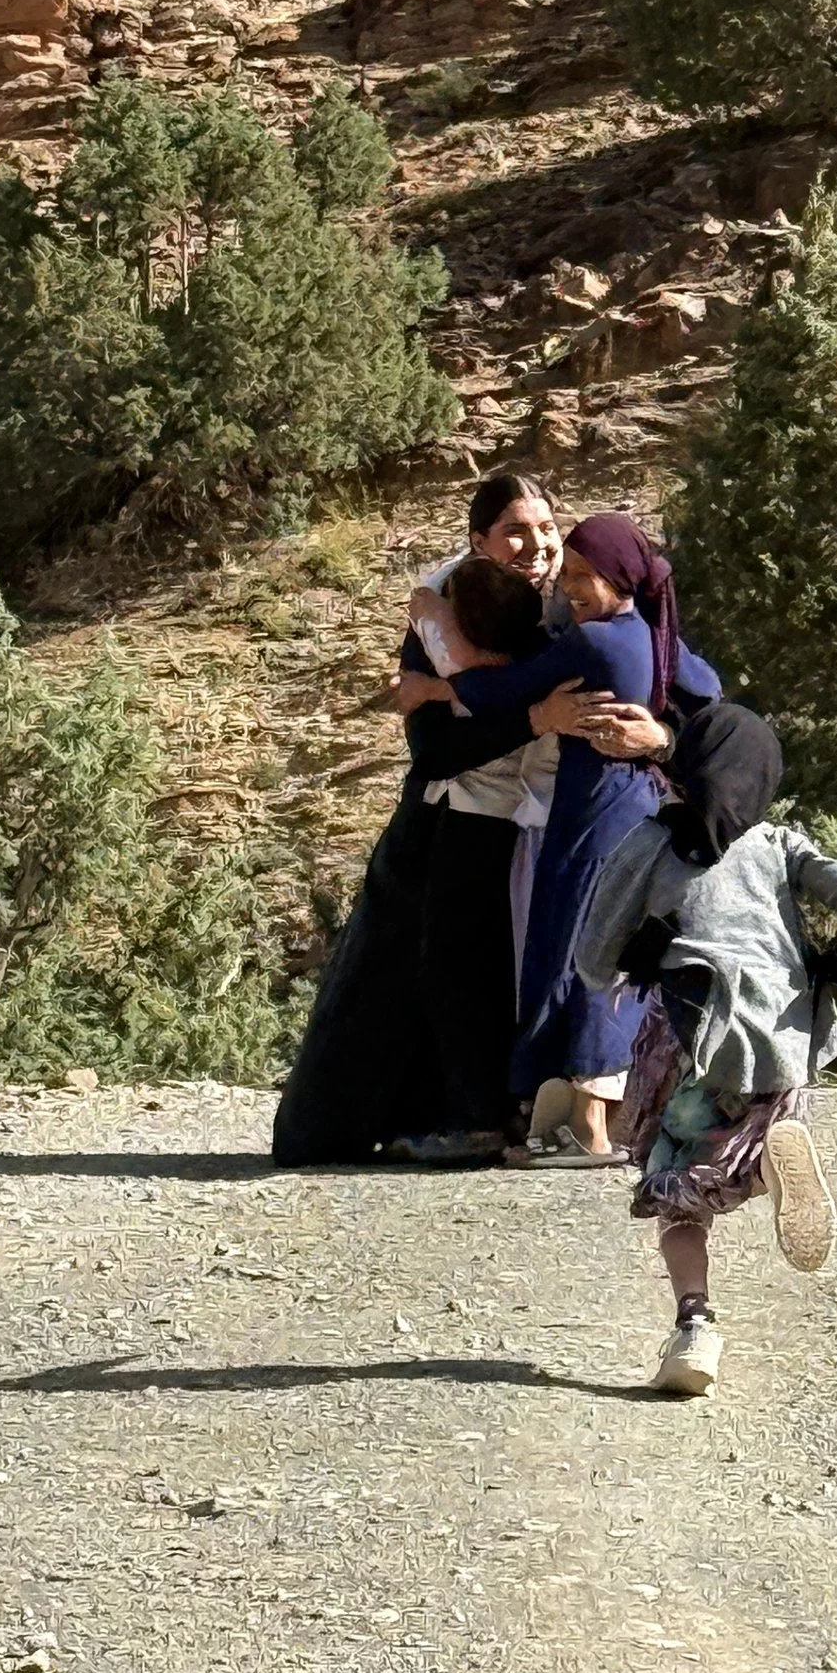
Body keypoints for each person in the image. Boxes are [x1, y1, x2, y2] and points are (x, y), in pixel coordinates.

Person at [574, 701, 837, 1398]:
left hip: (697, 1047)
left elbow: (592, 957)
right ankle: (774, 1161)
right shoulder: (780, 845)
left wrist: (637, 956)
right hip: (787, 1045)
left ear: (685, 770)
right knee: (759, 1131)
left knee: (678, 1202)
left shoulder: (652, 843)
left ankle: (695, 1326)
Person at [272, 481, 582, 1168]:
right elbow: (436, 748)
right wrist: (525, 714)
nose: (535, 546)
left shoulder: (573, 599)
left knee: (497, 973)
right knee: (421, 975)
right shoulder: (444, 603)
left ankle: (506, 1118)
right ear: (477, 542)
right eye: (514, 531)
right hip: (452, 821)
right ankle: (447, 1121)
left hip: (527, 823)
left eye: (546, 526)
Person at [421, 512, 717, 1164]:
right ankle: (566, 1117)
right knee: (585, 945)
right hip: (627, 805)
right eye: (570, 576)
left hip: (596, 815)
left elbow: (504, 690)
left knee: (585, 949)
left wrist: (435, 662)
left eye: (587, 577)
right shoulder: (645, 633)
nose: (572, 589)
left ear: (622, 578)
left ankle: (585, 1125)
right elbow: (708, 686)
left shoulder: (595, 645)